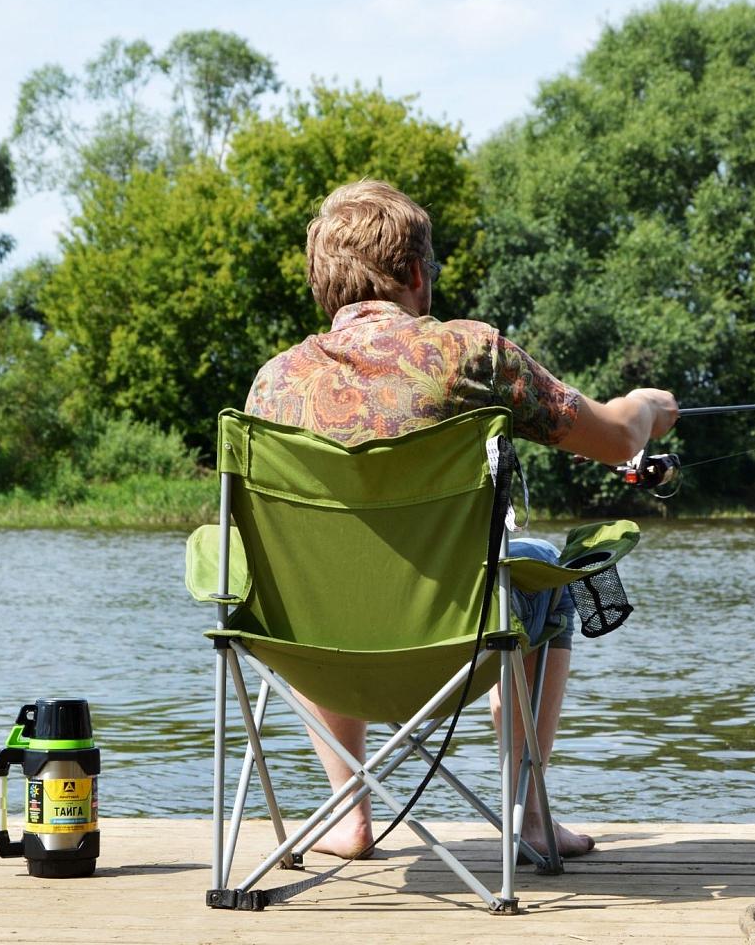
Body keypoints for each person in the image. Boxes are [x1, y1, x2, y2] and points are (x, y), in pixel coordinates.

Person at [244, 179, 679, 861]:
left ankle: (348, 812)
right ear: (416, 273)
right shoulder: (472, 357)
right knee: (547, 573)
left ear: (322, 285)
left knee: (303, 581)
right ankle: (529, 818)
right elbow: (618, 441)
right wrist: (646, 407)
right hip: (459, 643)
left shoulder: (271, 384)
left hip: (313, 652)